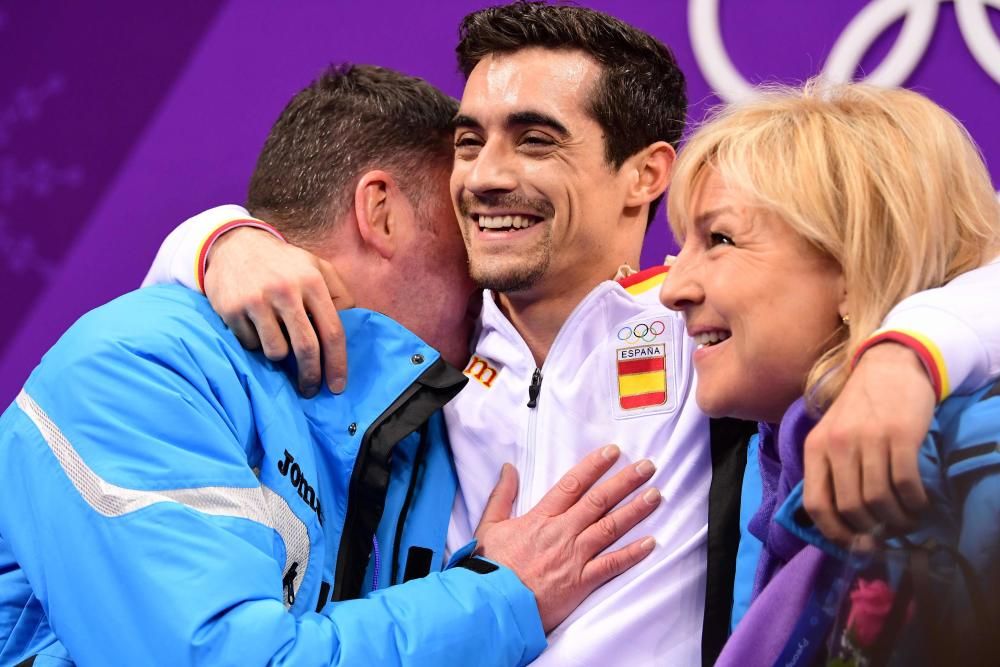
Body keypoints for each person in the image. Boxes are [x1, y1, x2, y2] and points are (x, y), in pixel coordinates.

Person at [145, 3, 1000, 665]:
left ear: (645, 175)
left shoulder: (707, 327)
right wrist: (216, 239)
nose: (486, 176)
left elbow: (949, 265)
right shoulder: (410, 349)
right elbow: (162, 336)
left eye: (535, 140)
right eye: (469, 142)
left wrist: (908, 352)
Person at [0, 64, 665, 667]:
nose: (481, 268)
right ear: (381, 212)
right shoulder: (136, 368)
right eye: (461, 223)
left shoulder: (417, 430)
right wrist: (497, 597)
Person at [660, 80, 1000, 666]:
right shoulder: (783, 450)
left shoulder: (972, 460)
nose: (671, 289)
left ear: (856, 265)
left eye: (720, 240)